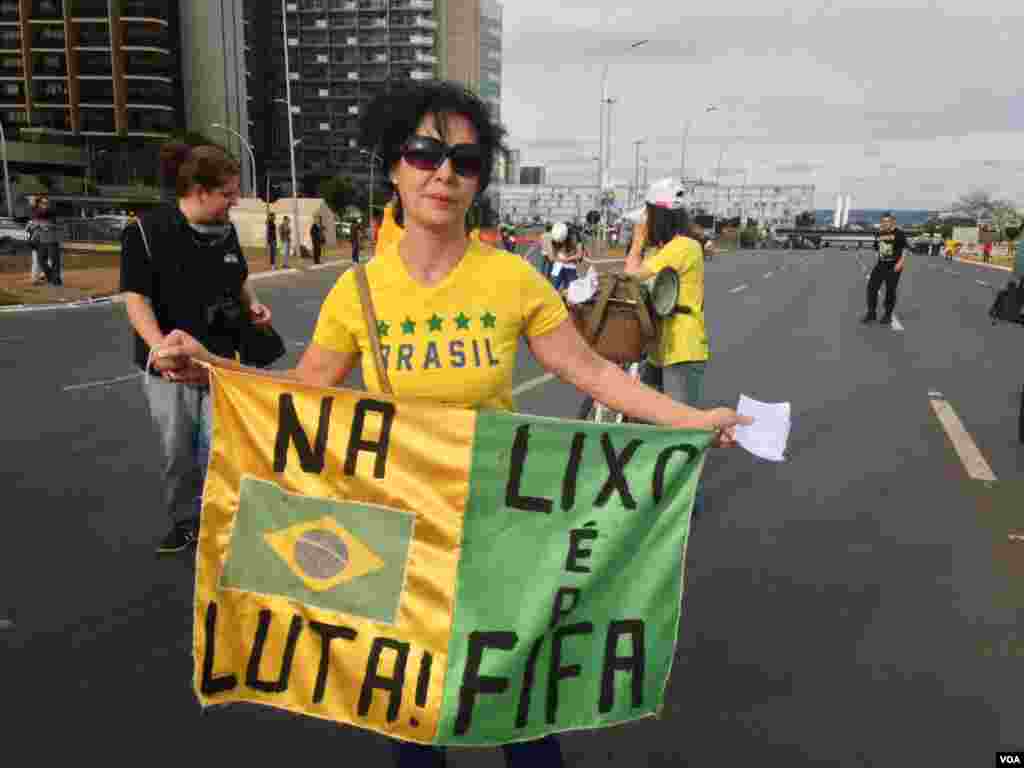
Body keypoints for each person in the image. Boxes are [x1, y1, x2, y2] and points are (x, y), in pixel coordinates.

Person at [152, 80, 749, 766]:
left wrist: (691, 418)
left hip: (498, 527)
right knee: (412, 713)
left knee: (517, 707)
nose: (444, 173)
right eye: (425, 152)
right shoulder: (360, 290)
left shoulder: (512, 279)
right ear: (395, 165)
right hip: (396, 537)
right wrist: (214, 373)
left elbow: (594, 374)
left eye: (465, 161)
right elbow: (302, 392)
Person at [119, 143, 273, 554]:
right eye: (227, 193)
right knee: (179, 451)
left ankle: (223, 520)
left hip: (220, 360)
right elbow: (136, 299)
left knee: (220, 447)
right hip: (171, 368)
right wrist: (157, 348)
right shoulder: (145, 232)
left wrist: (252, 304)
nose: (234, 201)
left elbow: (238, 278)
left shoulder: (225, 232)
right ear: (199, 191)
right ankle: (185, 521)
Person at [623, 180, 710, 521]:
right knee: (648, 415)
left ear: (657, 216)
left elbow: (632, 274)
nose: (643, 223)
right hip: (661, 346)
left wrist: (636, 239)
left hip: (684, 347)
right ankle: (657, 490)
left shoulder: (684, 247)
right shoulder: (669, 250)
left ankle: (686, 505)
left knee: (681, 426)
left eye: (646, 217)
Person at [863, 212, 908, 325]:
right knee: (871, 288)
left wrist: (900, 263)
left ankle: (887, 315)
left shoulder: (899, 234)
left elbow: (904, 249)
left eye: (887, 221)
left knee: (890, 290)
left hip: (894, 266)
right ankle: (871, 313)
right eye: (882, 221)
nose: (884, 224)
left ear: (893, 222)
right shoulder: (879, 233)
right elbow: (877, 248)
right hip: (881, 265)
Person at [26, 195, 62, 286]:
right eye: (42, 203)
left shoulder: (50, 212)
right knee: (41, 261)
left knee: (54, 260)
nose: (44, 204)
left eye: (46, 203)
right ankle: (51, 277)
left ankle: (56, 279)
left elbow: (43, 214)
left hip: (52, 239)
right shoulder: (37, 212)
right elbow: (34, 219)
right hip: (41, 241)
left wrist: (33, 205)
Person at [548, 221, 582, 292]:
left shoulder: (575, 236)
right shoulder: (553, 236)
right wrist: (557, 258)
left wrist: (568, 259)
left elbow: (579, 255)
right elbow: (551, 257)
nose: (560, 243)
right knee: (553, 288)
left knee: (571, 289)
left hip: (570, 267)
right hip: (558, 266)